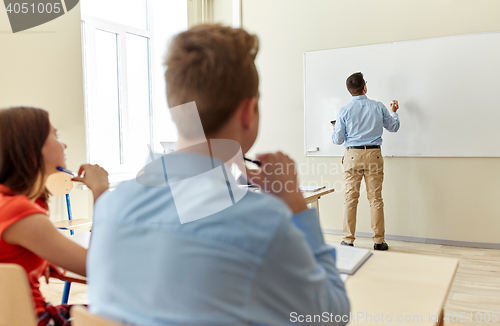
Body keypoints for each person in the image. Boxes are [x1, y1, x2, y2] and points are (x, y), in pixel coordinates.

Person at [87, 24, 350, 325]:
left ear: (175, 108)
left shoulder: (109, 207)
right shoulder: (263, 224)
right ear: (248, 111)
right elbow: (332, 315)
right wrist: (295, 204)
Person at [0, 106, 109, 325]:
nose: (64, 144)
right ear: (33, 149)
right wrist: (100, 193)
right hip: (33, 319)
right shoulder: (20, 212)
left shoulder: (7, 203)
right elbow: (99, 266)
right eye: (56, 136)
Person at [332, 72, 400, 250]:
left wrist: (335, 129)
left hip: (352, 156)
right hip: (374, 155)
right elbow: (393, 127)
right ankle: (379, 241)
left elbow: (338, 140)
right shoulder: (378, 107)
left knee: (350, 199)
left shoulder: (344, 111)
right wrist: (394, 113)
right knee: (375, 199)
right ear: (364, 87)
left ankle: (348, 240)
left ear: (350, 91)